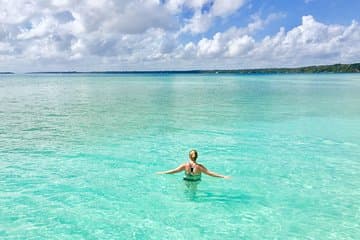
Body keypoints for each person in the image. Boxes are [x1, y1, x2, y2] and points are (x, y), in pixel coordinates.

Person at [156, 149, 230, 181]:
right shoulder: (200, 167)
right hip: (195, 181)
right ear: (197, 157)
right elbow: (210, 173)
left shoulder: (185, 165)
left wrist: (162, 172)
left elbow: (174, 171)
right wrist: (223, 176)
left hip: (186, 180)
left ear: (189, 156)